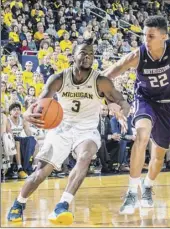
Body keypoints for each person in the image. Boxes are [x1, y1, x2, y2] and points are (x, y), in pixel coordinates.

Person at [7, 39, 130, 224]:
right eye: (83, 52)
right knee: (40, 173)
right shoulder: (59, 78)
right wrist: (26, 113)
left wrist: (121, 113)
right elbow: (39, 104)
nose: (88, 56)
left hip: (87, 130)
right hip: (61, 128)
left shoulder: (101, 81)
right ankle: (19, 203)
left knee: (85, 156)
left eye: (91, 53)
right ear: (73, 55)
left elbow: (122, 102)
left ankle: (62, 205)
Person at [102, 2, 170, 214]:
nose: (146, 39)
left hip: (168, 105)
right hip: (145, 100)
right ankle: (130, 192)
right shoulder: (137, 55)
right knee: (141, 135)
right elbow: (106, 76)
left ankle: (147, 187)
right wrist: (109, 100)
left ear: (164, 36)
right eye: (144, 35)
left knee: (158, 157)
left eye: (151, 36)